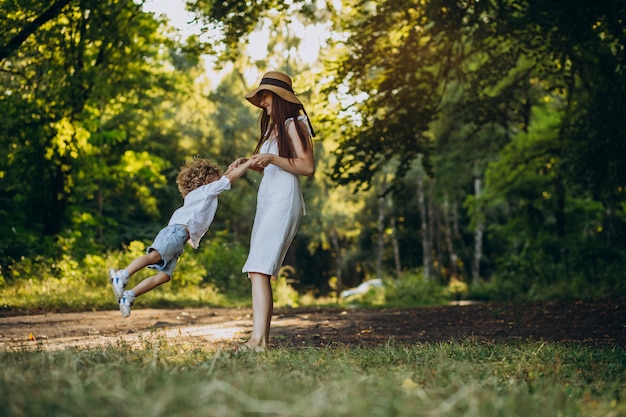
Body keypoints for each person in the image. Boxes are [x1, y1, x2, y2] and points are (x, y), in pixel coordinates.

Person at [108, 157, 252, 318]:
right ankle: (121, 275)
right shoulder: (205, 191)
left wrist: (232, 167)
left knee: (164, 276)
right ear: (206, 180)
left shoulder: (203, 193)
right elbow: (227, 180)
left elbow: (225, 179)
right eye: (216, 178)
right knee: (154, 256)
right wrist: (247, 164)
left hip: (179, 239)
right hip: (175, 233)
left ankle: (128, 296)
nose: (220, 181)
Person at [234, 71, 316, 351]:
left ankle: (257, 341)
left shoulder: (294, 124)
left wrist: (272, 158)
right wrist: (253, 162)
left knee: (259, 268)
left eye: (265, 97)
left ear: (279, 97)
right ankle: (260, 341)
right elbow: (279, 163)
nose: (263, 104)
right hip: (269, 198)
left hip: (283, 200)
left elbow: (307, 167)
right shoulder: (274, 129)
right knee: (257, 270)